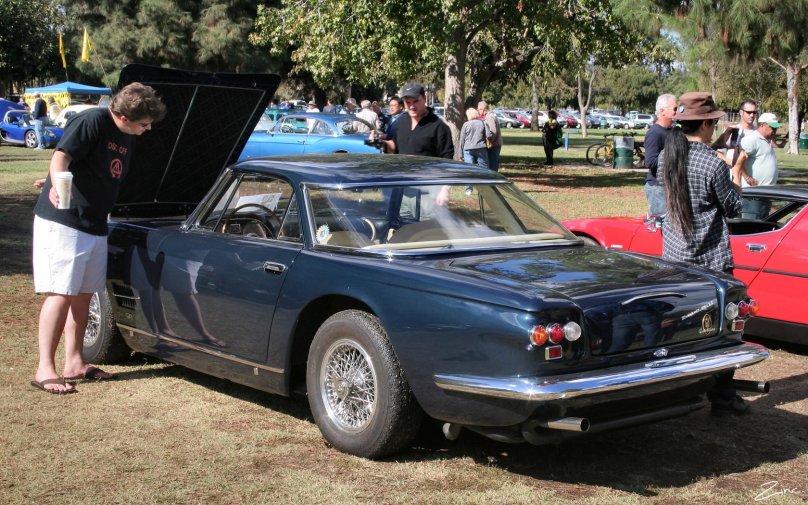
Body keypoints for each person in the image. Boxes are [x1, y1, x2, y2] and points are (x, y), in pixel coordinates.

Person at [30, 82, 166, 394]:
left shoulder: (127, 136)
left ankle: (74, 362)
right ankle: (44, 369)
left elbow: (99, 171)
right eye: (145, 124)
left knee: (84, 294)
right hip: (65, 221)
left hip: (95, 224)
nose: (147, 130)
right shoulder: (93, 121)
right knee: (61, 292)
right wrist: (54, 183)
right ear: (125, 116)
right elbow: (62, 156)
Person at [657, 92, 747, 417]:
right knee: (725, 328)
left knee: (677, 327)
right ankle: (723, 398)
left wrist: (717, 147)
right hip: (711, 263)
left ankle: (676, 393)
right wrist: (736, 167)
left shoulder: (668, 156)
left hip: (675, 257)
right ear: (707, 123)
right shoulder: (713, 164)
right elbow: (735, 209)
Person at [380, 82, 453, 159]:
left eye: (415, 101)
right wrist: (380, 143)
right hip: (402, 170)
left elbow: (446, 161)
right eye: (408, 102)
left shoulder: (439, 128)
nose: (412, 106)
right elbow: (394, 147)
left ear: (424, 98)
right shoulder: (401, 121)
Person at [739, 112, 780, 218]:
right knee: (751, 228)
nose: (774, 131)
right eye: (772, 127)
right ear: (762, 125)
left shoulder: (766, 140)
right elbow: (738, 159)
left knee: (762, 226)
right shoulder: (753, 139)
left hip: (765, 194)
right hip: (754, 195)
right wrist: (747, 177)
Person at [643, 93, 677, 217]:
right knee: (660, 227)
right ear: (662, 111)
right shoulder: (654, 133)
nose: (677, 112)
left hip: (670, 187)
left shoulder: (673, 131)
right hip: (658, 188)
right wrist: (675, 159)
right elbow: (650, 162)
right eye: (674, 108)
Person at [477, 101, 502, 171]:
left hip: (494, 144)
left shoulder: (489, 117)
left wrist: (489, 142)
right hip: (495, 143)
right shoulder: (490, 116)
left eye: (478, 109)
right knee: (493, 162)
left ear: (483, 109)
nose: (478, 111)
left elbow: (493, 131)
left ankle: (494, 179)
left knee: (492, 163)